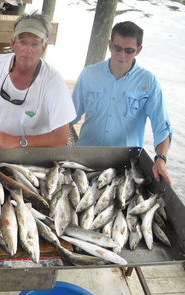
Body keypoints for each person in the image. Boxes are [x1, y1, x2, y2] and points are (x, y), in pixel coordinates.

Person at [71, 21, 173, 185]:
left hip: (126, 164)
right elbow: (69, 116)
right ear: (109, 45)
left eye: (129, 50)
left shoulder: (149, 81)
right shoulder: (89, 74)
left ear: (138, 50)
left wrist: (160, 159)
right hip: (84, 158)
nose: (122, 55)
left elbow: (162, 127)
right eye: (117, 48)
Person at [0, 12, 76, 149]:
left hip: (35, 149)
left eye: (35, 44)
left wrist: (19, 141)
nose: (27, 50)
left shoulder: (54, 83)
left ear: (44, 48)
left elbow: (61, 138)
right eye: (22, 42)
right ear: (13, 43)